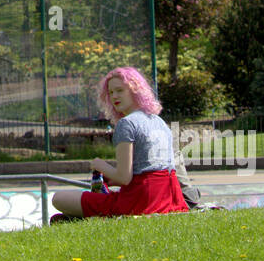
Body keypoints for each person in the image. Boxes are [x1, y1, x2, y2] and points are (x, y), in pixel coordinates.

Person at [51, 67, 188, 220]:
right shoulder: (159, 121)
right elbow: (149, 169)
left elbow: (124, 178)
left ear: (135, 90)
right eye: (110, 93)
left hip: (140, 202)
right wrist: (112, 179)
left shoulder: (127, 124)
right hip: (170, 198)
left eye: (120, 90)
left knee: (59, 198)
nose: (114, 96)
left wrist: (99, 165)